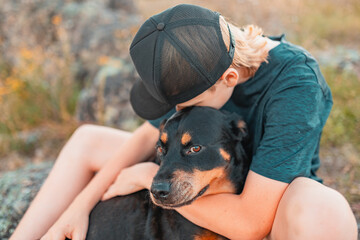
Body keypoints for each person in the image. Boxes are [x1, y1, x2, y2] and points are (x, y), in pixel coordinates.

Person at [11, 4, 357, 240]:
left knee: (321, 205)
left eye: (182, 105)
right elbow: (145, 138)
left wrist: (147, 176)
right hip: (204, 175)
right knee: (88, 139)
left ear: (228, 78)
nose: (174, 111)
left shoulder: (295, 83)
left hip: (265, 202)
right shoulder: (195, 57)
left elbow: (249, 222)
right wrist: (76, 209)